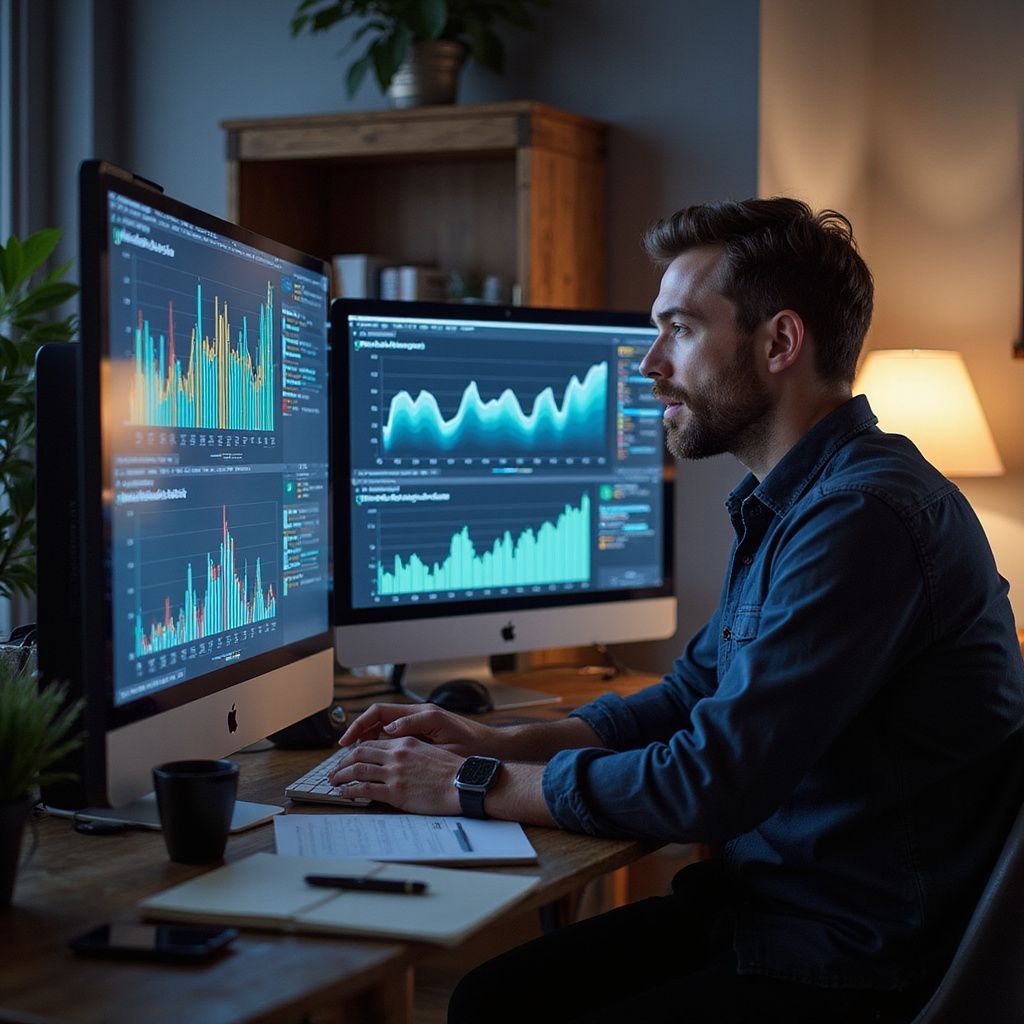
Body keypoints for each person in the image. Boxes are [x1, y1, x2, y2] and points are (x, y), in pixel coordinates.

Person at [330, 198, 1024, 1023]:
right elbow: (687, 698)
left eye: (680, 330)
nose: (650, 363)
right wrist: (498, 741)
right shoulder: (792, 503)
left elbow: (710, 780)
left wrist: (472, 784)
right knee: (490, 997)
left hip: (849, 957)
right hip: (768, 909)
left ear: (779, 343)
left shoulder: (863, 519)